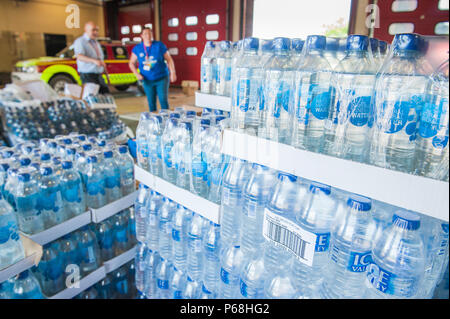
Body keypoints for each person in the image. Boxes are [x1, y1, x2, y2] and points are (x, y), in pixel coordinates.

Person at [129, 27, 177, 112]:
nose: (148, 36)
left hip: (162, 78)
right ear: (141, 36)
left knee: (163, 100)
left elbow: (169, 59)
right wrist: (137, 74)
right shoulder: (137, 48)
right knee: (151, 102)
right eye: (145, 34)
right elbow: (131, 63)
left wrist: (173, 73)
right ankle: (154, 121)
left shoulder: (159, 45)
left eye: (150, 33)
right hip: (147, 79)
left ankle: (166, 120)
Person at [74, 21, 110, 94]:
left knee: (106, 95)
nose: (95, 32)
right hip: (88, 75)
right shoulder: (80, 41)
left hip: (98, 74)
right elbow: (79, 56)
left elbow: (100, 59)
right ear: (86, 30)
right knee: (92, 98)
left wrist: (107, 75)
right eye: (93, 30)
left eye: (97, 30)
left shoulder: (96, 42)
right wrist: (94, 61)